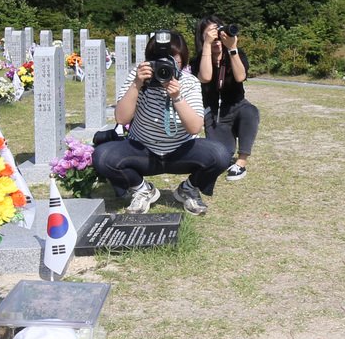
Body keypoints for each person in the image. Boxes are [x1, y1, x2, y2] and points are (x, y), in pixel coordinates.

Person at [92, 29, 231, 215]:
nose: (165, 65)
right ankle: (142, 190)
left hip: (182, 150)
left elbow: (195, 127)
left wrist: (177, 97)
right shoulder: (138, 78)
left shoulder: (189, 82)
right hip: (143, 150)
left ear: (183, 60)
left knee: (221, 154)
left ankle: (188, 189)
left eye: (173, 59)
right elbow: (121, 118)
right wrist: (137, 85)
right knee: (102, 157)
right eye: (160, 59)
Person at [194, 16, 260, 181]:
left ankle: (241, 162)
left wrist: (232, 49)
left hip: (237, 106)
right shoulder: (198, 59)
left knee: (250, 111)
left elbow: (240, 76)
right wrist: (207, 45)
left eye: (218, 32)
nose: (216, 38)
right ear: (202, 36)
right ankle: (227, 153)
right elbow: (205, 77)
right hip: (215, 113)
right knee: (220, 157)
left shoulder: (236, 53)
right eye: (210, 34)